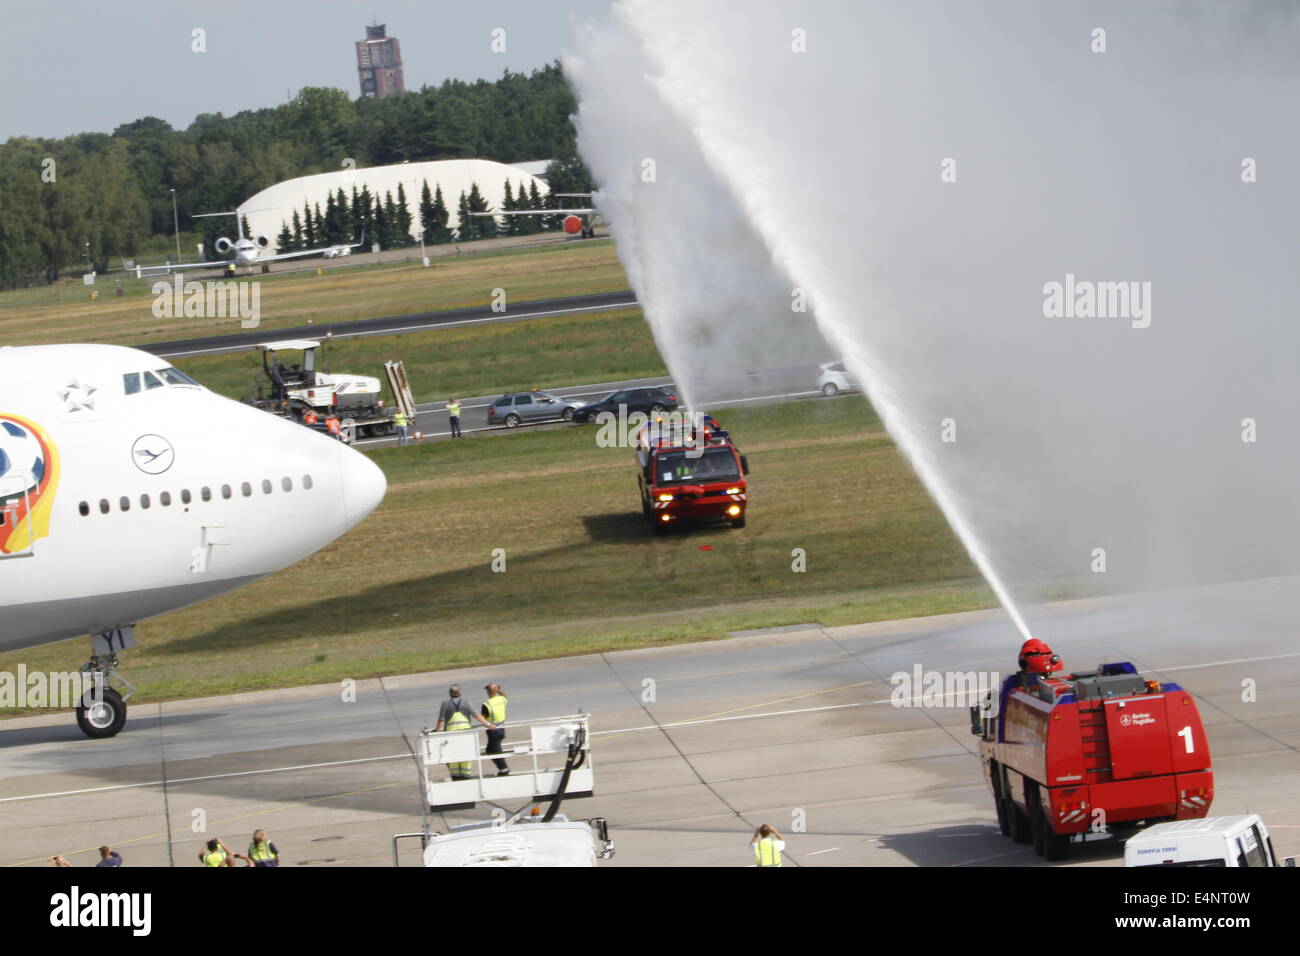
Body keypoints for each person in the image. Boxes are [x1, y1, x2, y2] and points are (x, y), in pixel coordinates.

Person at [435, 684, 493, 780]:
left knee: (453, 756)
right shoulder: (466, 702)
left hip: (451, 734)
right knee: (466, 754)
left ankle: (455, 777)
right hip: (465, 733)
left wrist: (437, 733)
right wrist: (488, 724)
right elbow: (476, 715)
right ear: (460, 693)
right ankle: (465, 776)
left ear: (450, 693)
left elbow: (441, 720)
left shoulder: (445, 703)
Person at [481, 683, 510, 776]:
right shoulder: (502, 699)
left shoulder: (487, 704)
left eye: (487, 691)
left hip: (493, 730)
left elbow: (483, 717)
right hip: (501, 728)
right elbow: (505, 696)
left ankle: (504, 769)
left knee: (493, 750)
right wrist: (498, 690)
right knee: (492, 749)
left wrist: (486, 723)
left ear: (489, 692)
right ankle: (503, 768)